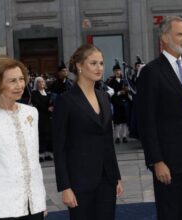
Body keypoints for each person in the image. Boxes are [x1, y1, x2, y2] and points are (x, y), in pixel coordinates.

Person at [136, 16, 182, 220]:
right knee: (170, 214)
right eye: (180, 34)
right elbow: (146, 121)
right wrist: (156, 161)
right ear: (165, 38)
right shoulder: (151, 72)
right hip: (167, 162)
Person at [0, 56, 46, 220]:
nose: (20, 85)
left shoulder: (31, 113)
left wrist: (40, 201)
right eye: (12, 81)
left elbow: (34, 160)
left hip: (33, 206)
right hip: (1, 207)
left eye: (21, 79)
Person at [52, 44, 123, 220]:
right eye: (93, 63)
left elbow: (108, 140)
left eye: (101, 63)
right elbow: (59, 148)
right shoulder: (65, 101)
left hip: (106, 179)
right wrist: (65, 187)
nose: (99, 68)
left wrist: (116, 176)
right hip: (79, 181)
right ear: (79, 66)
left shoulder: (104, 97)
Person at [107, 60, 130, 144]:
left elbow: (129, 90)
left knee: (124, 120)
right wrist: (119, 92)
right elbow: (109, 92)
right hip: (116, 103)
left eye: (119, 70)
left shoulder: (124, 80)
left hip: (124, 102)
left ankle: (124, 136)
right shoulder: (111, 81)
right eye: (116, 71)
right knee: (117, 121)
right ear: (114, 72)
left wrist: (127, 91)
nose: (118, 72)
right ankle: (117, 136)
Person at [31, 76, 54, 161]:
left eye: (42, 82)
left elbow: (51, 102)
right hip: (40, 117)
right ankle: (41, 154)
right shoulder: (34, 93)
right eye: (39, 82)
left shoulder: (48, 93)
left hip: (49, 117)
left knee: (49, 135)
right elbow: (37, 104)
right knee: (42, 135)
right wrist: (47, 108)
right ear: (36, 84)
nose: (41, 83)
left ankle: (48, 153)